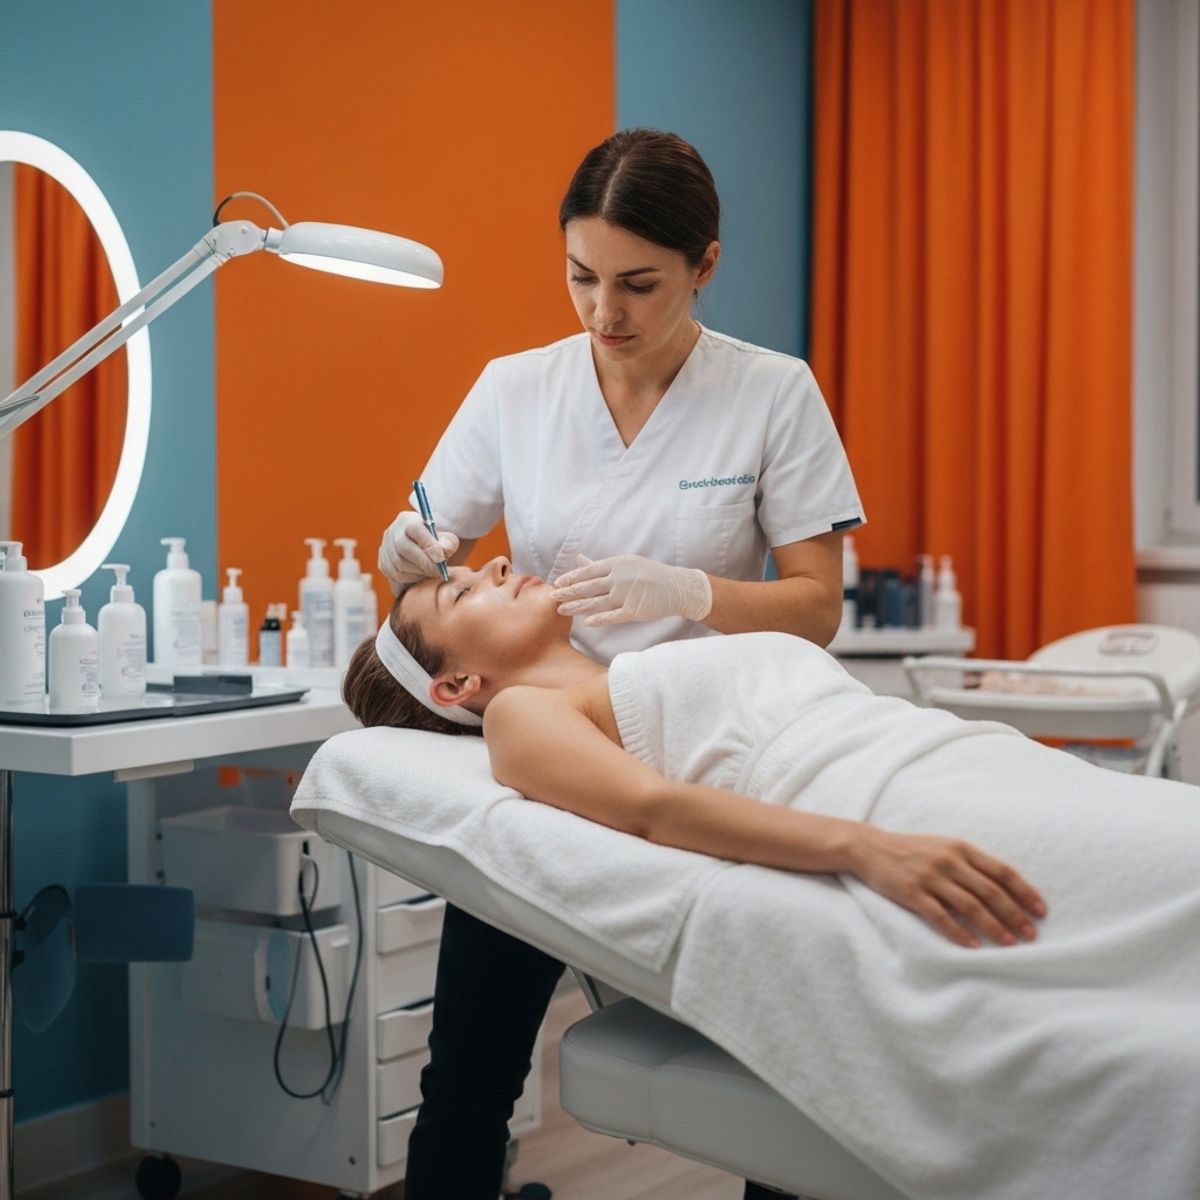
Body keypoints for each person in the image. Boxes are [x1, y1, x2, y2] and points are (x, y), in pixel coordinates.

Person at [343, 560, 1200, 1200]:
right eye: (461, 593)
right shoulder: (521, 714)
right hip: (887, 800)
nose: (493, 563)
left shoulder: (623, 669)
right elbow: (651, 810)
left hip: (960, 758)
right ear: (458, 684)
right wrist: (868, 848)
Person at [378, 128, 864, 1200]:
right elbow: (433, 562)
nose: (605, 313)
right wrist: (405, 550)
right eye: (581, 277)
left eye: (639, 284)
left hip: (711, 750)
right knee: (467, 1072)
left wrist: (693, 593)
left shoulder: (772, 393)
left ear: (705, 264)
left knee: (782, 1083)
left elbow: (817, 608)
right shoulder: (515, 389)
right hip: (557, 760)